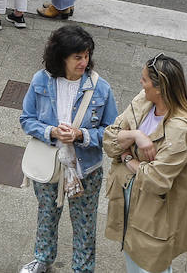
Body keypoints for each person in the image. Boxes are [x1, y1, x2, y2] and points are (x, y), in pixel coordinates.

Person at [17, 24, 119, 273]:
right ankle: (42, 259)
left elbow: (112, 131)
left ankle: (83, 269)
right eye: (78, 57)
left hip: (86, 169)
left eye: (86, 56)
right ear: (61, 56)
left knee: (85, 223)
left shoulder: (100, 88)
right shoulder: (41, 80)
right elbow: (26, 119)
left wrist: (81, 135)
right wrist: (50, 132)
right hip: (50, 165)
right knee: (46, 214)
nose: (84, 62)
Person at [103, 55, 187, 273]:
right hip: (130, 197)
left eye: (145, 79)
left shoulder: (180, 130)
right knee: (133, 258)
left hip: (155, 211)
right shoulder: (144, 100)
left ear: (160, 87)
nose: (141, 83)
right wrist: (135, 135)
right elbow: (110, 140)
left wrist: (127, 157)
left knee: (150, 266)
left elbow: (156, 179)